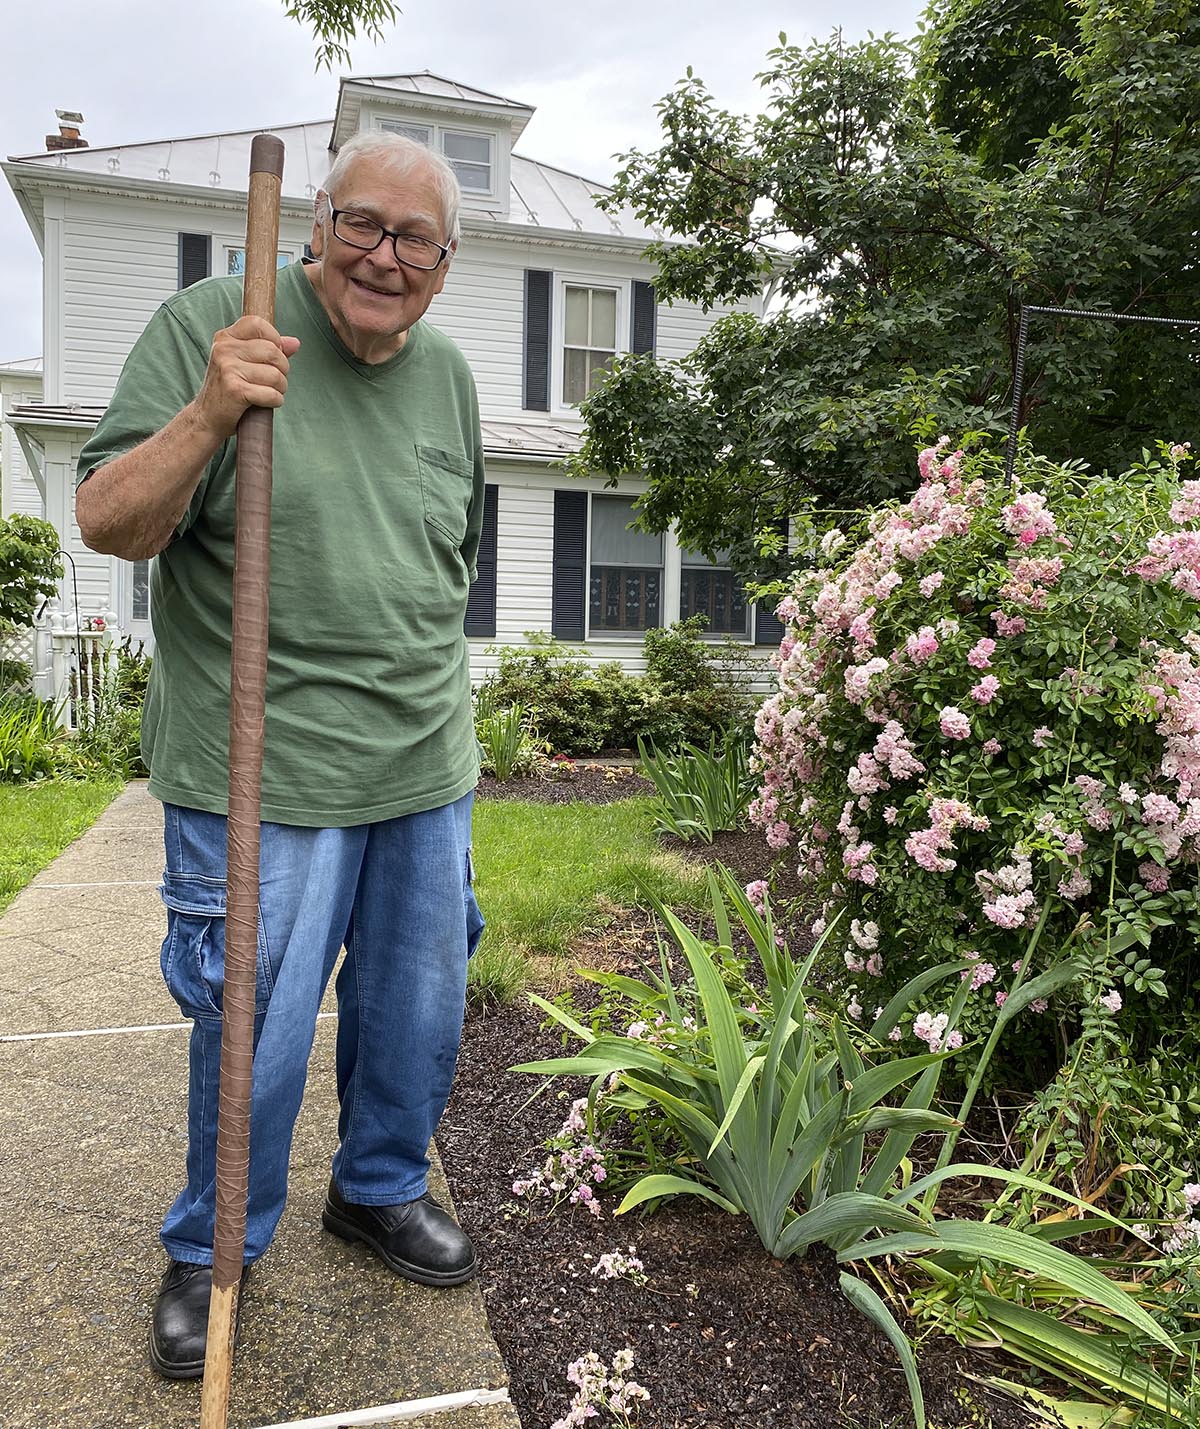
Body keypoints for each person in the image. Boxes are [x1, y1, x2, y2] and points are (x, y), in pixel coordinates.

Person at [75, 131, 486, 1380]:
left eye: (415, 240)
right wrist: (212, 409)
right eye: (363, 224)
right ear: (316, 223)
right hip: (267, 765)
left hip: (423, 762)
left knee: (414, 1015)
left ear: (446, 264)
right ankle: (214, 1252)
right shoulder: (218, 323)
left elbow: (445, 559)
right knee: (255, 1030)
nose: (385, 256)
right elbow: (108, 520)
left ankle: (374, 1187)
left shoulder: (452, 378)